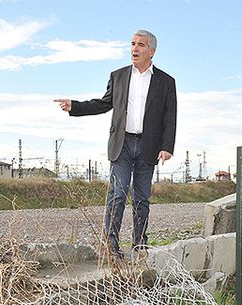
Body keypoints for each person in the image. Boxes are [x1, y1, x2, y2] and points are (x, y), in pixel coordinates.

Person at [54, 29, 177, 259]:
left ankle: (140, 244)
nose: (134, 49)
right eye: (132, 44)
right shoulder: (118, 76)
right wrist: (76, 106)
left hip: (148, 146)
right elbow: (103, 104)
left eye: (140, 45)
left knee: (141, 199)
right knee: (118, 194)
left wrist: (167, 146)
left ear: (152, 51)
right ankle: (111, 244)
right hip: (122, 144)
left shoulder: (166, 82)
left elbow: (170, 116)